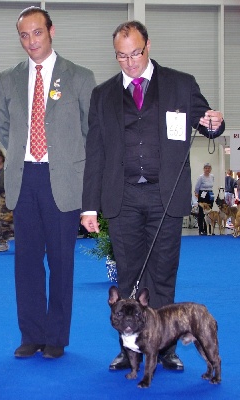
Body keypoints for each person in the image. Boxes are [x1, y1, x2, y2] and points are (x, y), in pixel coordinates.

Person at [81, 20, 225, 371]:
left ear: (149, 46)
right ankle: (130, 348)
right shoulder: (102, 95)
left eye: (136, 53)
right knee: (128, 274)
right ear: (114, 54)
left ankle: (165, 347)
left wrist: (214, 123)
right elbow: (95, 153)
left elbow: (207, 122)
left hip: (166, 194)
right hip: (122, 196)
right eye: (121, 55)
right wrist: (89, 206)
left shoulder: (181, 84)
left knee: (162, 273)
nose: (130, 62)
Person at [0, 6, 96, 359]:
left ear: (52, 31)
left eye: (37, 32)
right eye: (24, 35)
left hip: (63, 180)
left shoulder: (80, 77)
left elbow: (91, 132)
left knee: (61, 261)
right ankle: (31, 334)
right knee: (25, 262)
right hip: (25, 178)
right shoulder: (8, 78)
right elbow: (5, 130)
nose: (31, 41)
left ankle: (56, 337)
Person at [195, 163, 215, 235]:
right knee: (201, 212)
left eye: (209, 168)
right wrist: (197, 193)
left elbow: (212, 184)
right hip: (203, 193)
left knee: (210, 212)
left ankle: (209, 230)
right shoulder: (201, 177)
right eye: (206, 168)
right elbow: (197, 187)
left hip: (210, 193)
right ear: (204, 169)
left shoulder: (212, 176)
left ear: (210, 169)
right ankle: (201, 229)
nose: (207, 169)